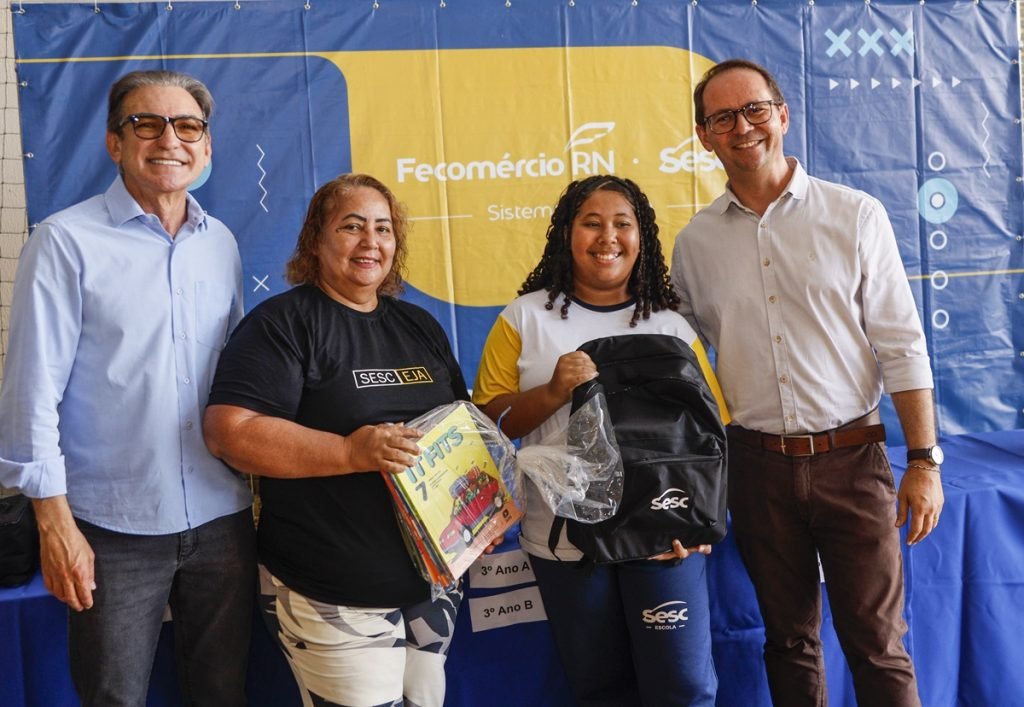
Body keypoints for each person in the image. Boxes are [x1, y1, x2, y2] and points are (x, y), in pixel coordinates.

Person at [671, 58, 945, 706]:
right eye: (722, 117)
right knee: (788, 643)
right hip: (757, 468)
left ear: (782, 115)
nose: (743, 126)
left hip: (853, 460)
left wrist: (925, 459)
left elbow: (903, 345)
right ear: (704, 135)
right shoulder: (694, 244)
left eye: (755, 109)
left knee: (876, 644)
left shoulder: (855, 215)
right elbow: (679, 365)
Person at [0, 70, 255, 706]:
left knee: (221, 695)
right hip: (110, 530)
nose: (170, 139)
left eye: (188, 126)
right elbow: (30, 396)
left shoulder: (219, 243)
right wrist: (54, 525)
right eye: (148, 123)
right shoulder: (64, 242)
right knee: (113, 698)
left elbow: (239, 383)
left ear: (207, 147)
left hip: (223, 520)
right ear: (115, 143)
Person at [203, 173, 468, 707]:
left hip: (432, 583)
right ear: (315, 240)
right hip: (334, 588)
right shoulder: (283, 325)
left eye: (384, 228)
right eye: (352, 226)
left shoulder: (420, 325)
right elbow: (230, 433)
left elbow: (460, 428)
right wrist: (351, 452)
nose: (371, 242)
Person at [473, 175, 728, 706]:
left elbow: (711, 434)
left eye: (622, 224)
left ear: (643, 236)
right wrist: (553, 391)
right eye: (591, 222)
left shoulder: (672, 327)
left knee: (683, 688)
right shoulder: (525, 317)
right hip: (565, 542)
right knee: (600, 690)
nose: (607, 236)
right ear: (567, 233)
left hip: (663, 540)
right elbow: (491, 425)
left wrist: (699, 518)